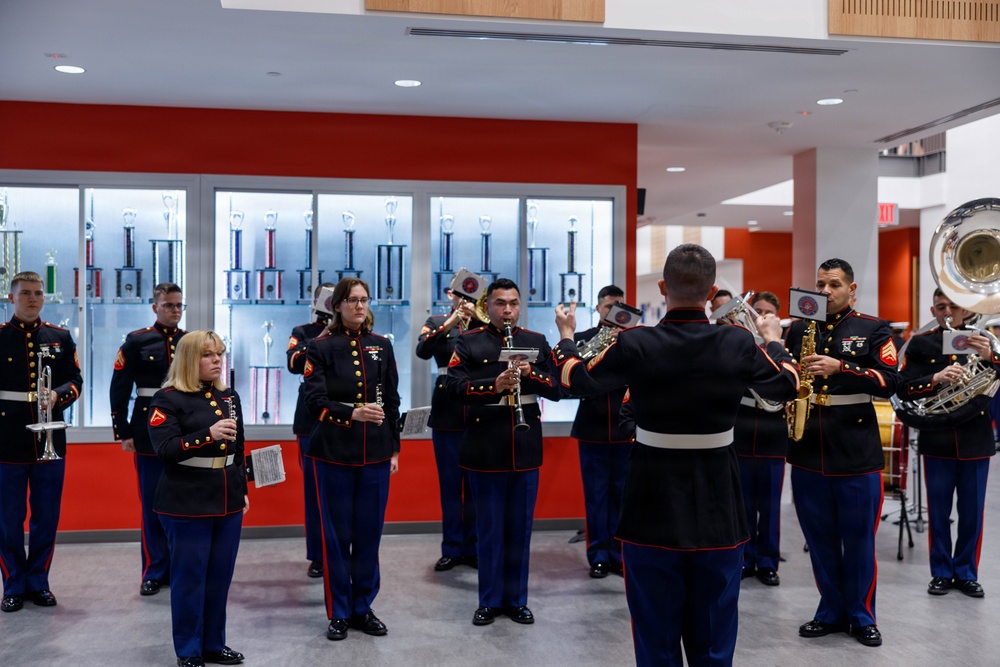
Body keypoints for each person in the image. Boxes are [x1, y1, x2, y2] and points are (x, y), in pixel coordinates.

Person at [553, 245, 798, 667]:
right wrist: (774, 341)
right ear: (712, 292)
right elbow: (788, 384)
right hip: (718, 505)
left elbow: (576, 379)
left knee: (655, 636)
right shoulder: (738, 342)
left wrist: (566, 337)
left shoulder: (636, 342)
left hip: (650, 504)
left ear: (663, 287)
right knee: (714, 637)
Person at [785, 258, 899, 648]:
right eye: (821, 284)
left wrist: (842, 367)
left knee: (859, 541)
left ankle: (862, 615)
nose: (825, 291)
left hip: (855, 451)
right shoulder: (799, 328)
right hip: (808, 448)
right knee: (819, 540)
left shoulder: (872, 328)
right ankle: (830, 610)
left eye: (834, 284)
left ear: (851, 289)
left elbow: (890, 381)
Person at [446, 278, 562, 627]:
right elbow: (452, 387)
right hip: (485, 446)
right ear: (487, 306)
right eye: (500, 303)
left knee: (520, 530)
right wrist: (492, 385)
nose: (507, 310)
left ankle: (516, 600)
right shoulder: (469, 341)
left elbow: (558, 388)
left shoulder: (535, 341)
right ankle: (489, 601)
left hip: (525, 448)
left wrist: (532, 374)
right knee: (490, 530)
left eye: (513, 303)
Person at [303, 278, 400, 641]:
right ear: (337, 305)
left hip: (375, 453)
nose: (360, 306)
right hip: (334, 453)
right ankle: (339, 611)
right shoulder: (320, 347)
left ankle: (363, 606)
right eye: (352, 300)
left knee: (369, 535)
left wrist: (394, 448)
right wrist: (351, 413)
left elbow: (392, 400)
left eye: (364, 300)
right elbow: (314, 401)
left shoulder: (381, 345)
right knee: (336, 537)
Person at [148, 330, 247, 667]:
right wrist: (208, 435)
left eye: (219, 353)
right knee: (190, 579)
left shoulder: (229, 396)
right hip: (185, 501)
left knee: (220, 578)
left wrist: (243, 489)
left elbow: (238, 448)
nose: (217, 360)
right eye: (208, 354)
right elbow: (165, 450)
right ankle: (189, 649)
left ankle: (213, 644)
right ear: (190, 360)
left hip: (227, 498)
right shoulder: (167, 399)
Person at [896, 288, 999, 598]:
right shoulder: (920, 343)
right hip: (937, 440)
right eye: (941, 307)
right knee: (938, 513)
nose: (947, 312)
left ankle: (966, 573)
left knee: (972, 513)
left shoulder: (984, 340)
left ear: (964, 309)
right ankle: (941, 572)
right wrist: (936, 379)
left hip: (975, 439)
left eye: (953, 306)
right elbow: (904, 388)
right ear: (933, 311)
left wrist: (990, 358)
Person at [0, 271, 82, 614]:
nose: (33, 298)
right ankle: (13, 584)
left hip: (50, 439)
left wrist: (59, 394)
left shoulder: (59, 336)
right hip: (7, 439)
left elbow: (75, 380)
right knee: (8, 519)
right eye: (25, 293)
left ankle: (39, 582)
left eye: (38, 293)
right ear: (11, 298)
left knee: (46, 517)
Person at [109, 282, 186, 597]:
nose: (175, 310)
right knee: (153, 504)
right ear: (155, 307)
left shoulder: (190, 342)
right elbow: (119, 387)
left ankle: (180, 568)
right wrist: (123, 430)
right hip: (147, 430)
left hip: (185, 430)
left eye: (179, 305)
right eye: (168, 305)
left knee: (183, 504)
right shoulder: (137, 341)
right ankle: (154, 571)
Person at [415, 286, 484, 572]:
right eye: (460, 295)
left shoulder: (484, 324)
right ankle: (452, 548)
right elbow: (422, 350)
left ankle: (475, 548)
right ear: (450, 295)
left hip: (479, 409)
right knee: (451, 485)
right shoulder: (436, 322)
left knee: (478, 485)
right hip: (447, 410)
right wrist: (452, 322)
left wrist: (477, 320)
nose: (465, 301)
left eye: (471, 297)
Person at [571, 284, 631, 579]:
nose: (614, 312)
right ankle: (598, 555)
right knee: (596, 496)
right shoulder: (582, 339)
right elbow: (575, 375)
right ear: (597, 308)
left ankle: (619, 555)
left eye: (620, 307)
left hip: (624, 428)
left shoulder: (632, 340)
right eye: (609, 306)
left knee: (623, 495)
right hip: (592, 427)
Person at [732, 290, 787, 586]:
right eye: (758, 311)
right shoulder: (741, 344)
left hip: (772, 434)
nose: (762, 316)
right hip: (741, 432)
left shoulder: (783, 346)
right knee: (741, 504)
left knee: (770, 506)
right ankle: (743, 558)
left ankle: (767, 561)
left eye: (768, 312)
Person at [286, 282, 334, 580]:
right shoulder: (303, 331)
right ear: (315, 302)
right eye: (324, 298)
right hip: (310, 418)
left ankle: (341, 550)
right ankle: (318, 555)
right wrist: (323, 333)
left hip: (344, 417)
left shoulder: (352, 331)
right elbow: (293, 364)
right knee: (314, 491)